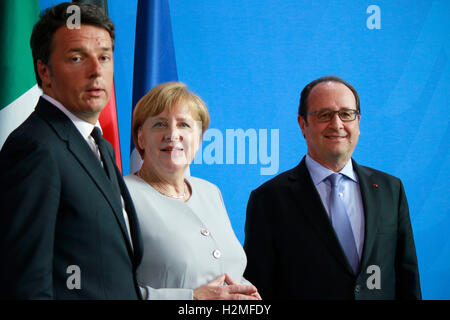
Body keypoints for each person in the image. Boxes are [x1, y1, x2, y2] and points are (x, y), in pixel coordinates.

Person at [0, 3, 143, 299]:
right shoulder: (34, 148)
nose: (96, 71)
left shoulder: (99, 145)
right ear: (45, 71)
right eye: (77, 58)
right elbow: (25, 284)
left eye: (104, 57)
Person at [243, 75, 421, 299]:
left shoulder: (390, 189)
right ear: (303, 125)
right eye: (324, 115)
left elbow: (407, 277)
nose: (337, 124)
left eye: (346, 114)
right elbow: (259, 289)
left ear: (358, 123)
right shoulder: (268, 198)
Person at [124, 82, 261, 300]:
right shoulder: (121, 196)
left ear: (198, 139)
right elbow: (106, 289)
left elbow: (229, 271)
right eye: (160, 124)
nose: (172, 134)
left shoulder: (209, 192)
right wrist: (193, 298)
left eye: (184, 125)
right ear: (141, 138)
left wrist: (247, 295)